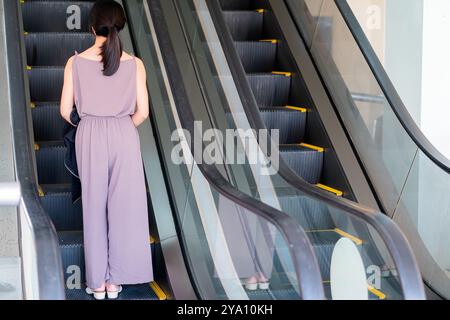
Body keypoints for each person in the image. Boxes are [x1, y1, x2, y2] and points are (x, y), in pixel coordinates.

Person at [60, 0, 152, 300]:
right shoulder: (135, 64)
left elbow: (65, 110)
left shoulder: (75, 63)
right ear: (120, 26)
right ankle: (116, 282)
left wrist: (92, 124)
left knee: (94, 206)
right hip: (124, 133)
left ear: (92, 27)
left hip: (90, 134)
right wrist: (121, 127)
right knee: (125, 208)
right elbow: (143, 112)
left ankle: (97, 283)